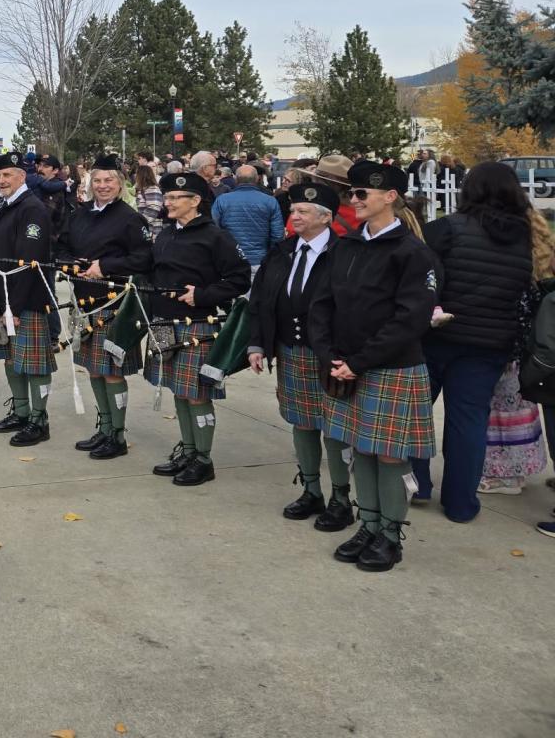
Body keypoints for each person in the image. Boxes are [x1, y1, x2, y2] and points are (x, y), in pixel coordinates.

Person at [308, 160, 437, 572]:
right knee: (360, 448)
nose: (355, 199)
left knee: (390, 456)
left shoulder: (412, 253)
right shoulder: (344, 246)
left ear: (390, 197)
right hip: (345, 366)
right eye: (352, 192)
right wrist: (329, 356)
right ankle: (368, 525)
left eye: (363, 193)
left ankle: (390, 535)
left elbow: (410, 319)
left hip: (391, 368)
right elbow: (321, 304)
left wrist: (358, 362)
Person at [412, 162, 534, 522]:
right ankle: (461, 503)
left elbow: (421, 276)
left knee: (416, 412)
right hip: (490, 343)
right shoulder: (525, 238)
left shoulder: (447, 228)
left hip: (437, 336)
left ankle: (417, 484)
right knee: (468, 424)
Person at [247, 181, 351, 527]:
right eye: (293, 210)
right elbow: (260, 300)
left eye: (303, 211)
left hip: (331, 355)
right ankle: (311, 490)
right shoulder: (282, 251)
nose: (295, 216)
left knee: (334, 427)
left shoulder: (345, 252)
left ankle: (341, 498)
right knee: (302, 422)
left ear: (326, 217)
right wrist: (258, 344)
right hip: (291, 351)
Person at [147, 170, 250, 486]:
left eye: (175, 198)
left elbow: (240, 279)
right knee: (179, 390)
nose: (168, 202)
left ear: (195, 201)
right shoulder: (165, 234)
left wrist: (203, 295)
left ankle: (204, 460)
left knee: (196, 394)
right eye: (167, 197)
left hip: (198, 325)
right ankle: (189, 451)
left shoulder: (216, 237)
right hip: (165, 323)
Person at [60, 154, 154, 459]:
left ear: (120, 183)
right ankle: (104, 428)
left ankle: (118, 436)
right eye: (97, 180)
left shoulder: (130, 218)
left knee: (112, 372)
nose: (102, 186)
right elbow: (61, 246)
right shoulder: (80, 213)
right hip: (83, 302)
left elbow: (144, 258)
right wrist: (70, 263)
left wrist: (105, 266)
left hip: (114, 303)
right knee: (94, 369)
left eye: (109, 180)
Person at [0, 151, 58, 447]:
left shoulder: (32, 209)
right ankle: (21, 412)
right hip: (5, 299)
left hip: (26, 301)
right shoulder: (5, 205)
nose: (1, 180)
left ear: (22, 176)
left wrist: (13, 307)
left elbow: (29, 263)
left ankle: (39, 421)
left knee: (35, 364)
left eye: (8, 175)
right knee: (12, 358)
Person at [481, 207, 552, 496]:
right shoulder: (542, 260)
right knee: (518, 411)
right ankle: (517, 469)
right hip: (532, 351)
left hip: (513, 351)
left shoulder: (514, 261)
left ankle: (507, 476)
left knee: (502, 413)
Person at [211, 164, 284, 277]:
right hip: (259, 260)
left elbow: (214, 230)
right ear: (257, 179)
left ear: (235, 179)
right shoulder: (270, 201)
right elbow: (278, 235)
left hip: (230, 260)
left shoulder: (222, 200)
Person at [133, 162, 164, 238]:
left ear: (141, 175)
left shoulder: (152, 189)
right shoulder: (143, 189)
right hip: (145, 230)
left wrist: (138, 223)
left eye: (137, 173)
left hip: (151, 231)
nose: (135, 175)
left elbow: (153, 209)